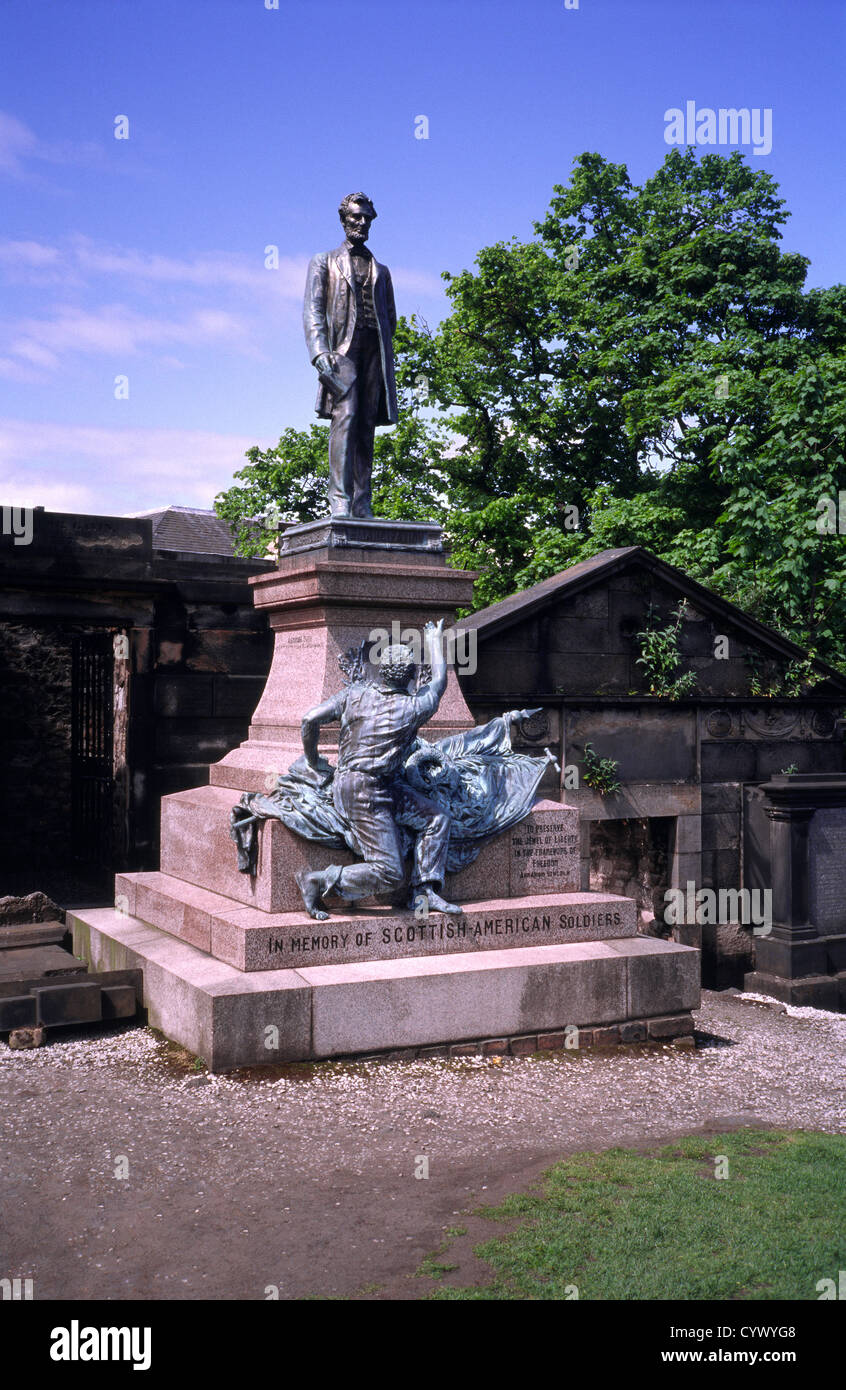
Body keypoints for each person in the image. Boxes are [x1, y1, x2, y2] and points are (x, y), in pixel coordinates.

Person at [295, 620, 460, 920]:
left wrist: (312, 761)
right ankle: (317, 880)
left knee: (437, 817)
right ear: (412, 677)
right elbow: (439, 681)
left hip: (380, 787)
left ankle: (424, 890)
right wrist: (435, 639)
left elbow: (309, 720)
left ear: (381, 671)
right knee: (389, 872)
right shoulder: (414, 707)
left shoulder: (355, 694)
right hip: (362, 793)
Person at [303, 192, 398, 519]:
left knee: (365, 426)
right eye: (356, 217)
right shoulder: (323, 261)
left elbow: (391, 318)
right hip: (341, 353)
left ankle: (362, 502)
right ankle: (340, 500)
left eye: (367, 218)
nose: (362, 223)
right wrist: (320, 353)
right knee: (346, 419)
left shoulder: (381, 270)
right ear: (343, 219)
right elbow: (313, 311)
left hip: (375, 352)